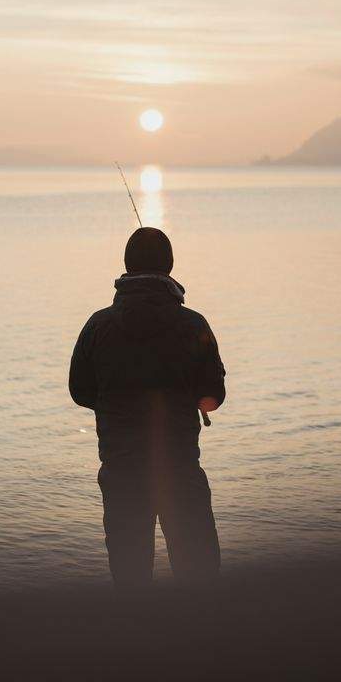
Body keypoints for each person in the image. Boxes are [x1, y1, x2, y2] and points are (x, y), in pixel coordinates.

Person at [69, 226, 226, 588]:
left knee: (130, 582)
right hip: (179, 470)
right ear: (170, 266)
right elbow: (214, 396)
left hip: (121, 470)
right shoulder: (193, 325)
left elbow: (79, 391)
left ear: (126, 266)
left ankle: (136, 641)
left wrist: (114, 403)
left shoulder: (98, 326)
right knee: (199, 579)